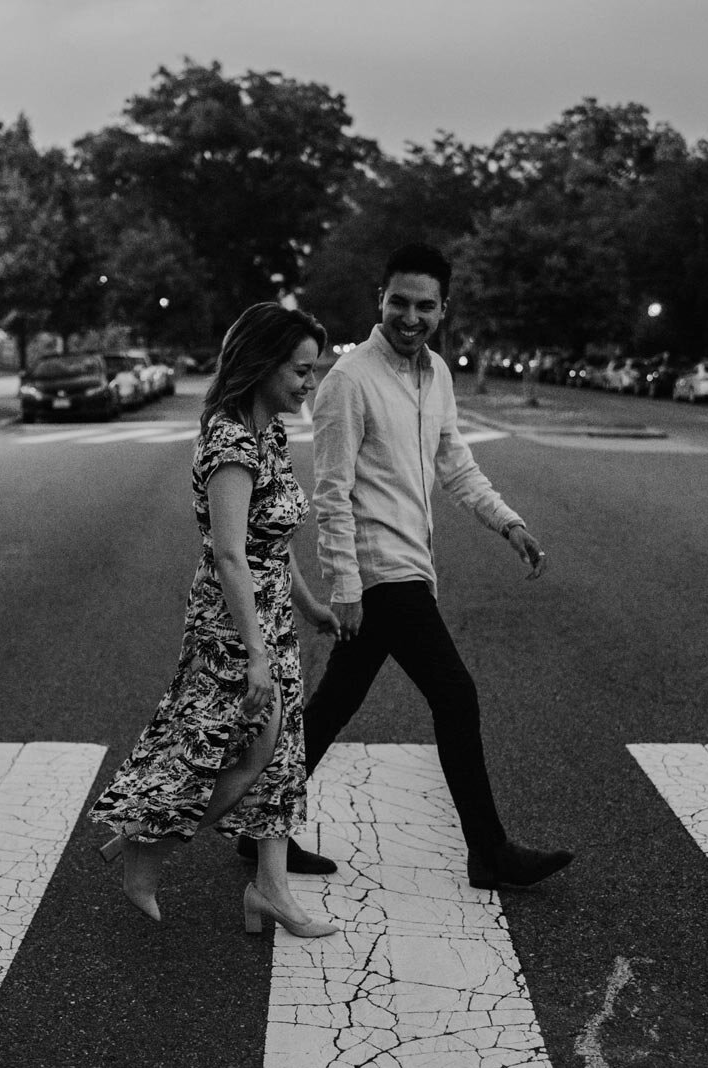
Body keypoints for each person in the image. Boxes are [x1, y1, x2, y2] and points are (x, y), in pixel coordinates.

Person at [238, 242, 574, 890]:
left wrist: (508, 521)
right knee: (456, 694)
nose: (410, 317)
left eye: (425, 305)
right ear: (380, 301)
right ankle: (490, 851)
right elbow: (331, 489)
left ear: (444, 309)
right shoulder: (349, 380)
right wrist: (344, 584)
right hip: (380, 571)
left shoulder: (438, 375)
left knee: (335, 702)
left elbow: (455, 464)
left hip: (411, 563)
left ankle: (259, 827)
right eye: (399, 302)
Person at [89, 302, 341, 938]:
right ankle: (146, 849)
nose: (311, 383)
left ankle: (270, 892)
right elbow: (230, 554)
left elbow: (270, 542)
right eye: (302, 371)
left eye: (315, 370)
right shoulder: (231, 441)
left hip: (271, 614)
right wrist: (257, 652)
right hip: (232, 623)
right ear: (262, 365)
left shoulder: (270, 434)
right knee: (233, 751)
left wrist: (309, 608)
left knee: (280, 756)